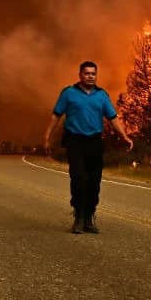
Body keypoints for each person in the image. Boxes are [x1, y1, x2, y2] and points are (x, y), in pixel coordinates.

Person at [43, 61, 133, 234]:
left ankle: (89, 217)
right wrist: (46, 137)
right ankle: (79, 217)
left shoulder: (101, 95)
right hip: (75, 141)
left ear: (96, 76)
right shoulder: (68, 93)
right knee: (78, 178)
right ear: (80, 75)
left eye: (93, 73)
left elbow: (113, 118)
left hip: (94, 142)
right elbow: (56, 116)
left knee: (94, 181)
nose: (90, 76)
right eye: (87, 73)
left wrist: (124, 136)